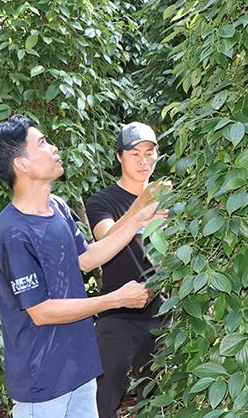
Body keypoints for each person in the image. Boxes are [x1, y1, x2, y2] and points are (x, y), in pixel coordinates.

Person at [0, 114, 165, 418]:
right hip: (42, 381)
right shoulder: (13, 232)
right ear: (21, 164)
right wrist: (116, 299)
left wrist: (139, 220)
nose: (53, 148)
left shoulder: (58, 207)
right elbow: (41, 312)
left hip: (80, 368)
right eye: (42, 143)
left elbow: (86, 258)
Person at [85, 122, 170, 418]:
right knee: (103, 401)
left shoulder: (170, 200)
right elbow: (105, 241)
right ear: (119, 157)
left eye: (150, 153)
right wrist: (141, 207)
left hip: (162, 312)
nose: (144, 161)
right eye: (135, 154)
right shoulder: (102, 201)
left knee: (160, 400)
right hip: (117, 314)